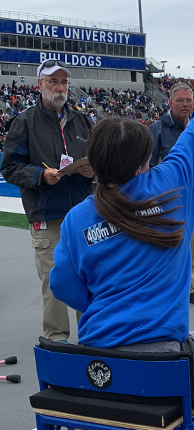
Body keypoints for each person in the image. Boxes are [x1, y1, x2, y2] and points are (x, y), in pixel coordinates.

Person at [46, 85, 194, 427]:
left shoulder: (77, 219)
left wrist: (99, 303)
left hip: (96, 357)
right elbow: (189, 147)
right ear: (139, 167)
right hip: (160, 358)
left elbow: (61, 285)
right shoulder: (170, 189)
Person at [1, 60, 94, 342]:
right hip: (47, 213)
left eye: (63, 82)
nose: (60, 87)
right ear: (40, 85)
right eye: (53, 81)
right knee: (55, 281)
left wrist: (94, 169)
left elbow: (97, 159)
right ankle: (57, 341)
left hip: (82, 212)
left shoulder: (81, 120)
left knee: (89, 277)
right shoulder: (24, 122)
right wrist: (41, 175)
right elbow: (9, 168)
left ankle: (92, 337)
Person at [148, 83, 194, 306]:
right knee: (166, 246)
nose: (185, 104)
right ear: (170, 103)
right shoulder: (157, 129)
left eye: (189, 100)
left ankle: (190, 288)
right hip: (167, 202)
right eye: (179, 100)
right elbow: (148, 166)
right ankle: (164, 288)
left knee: (193, 248)